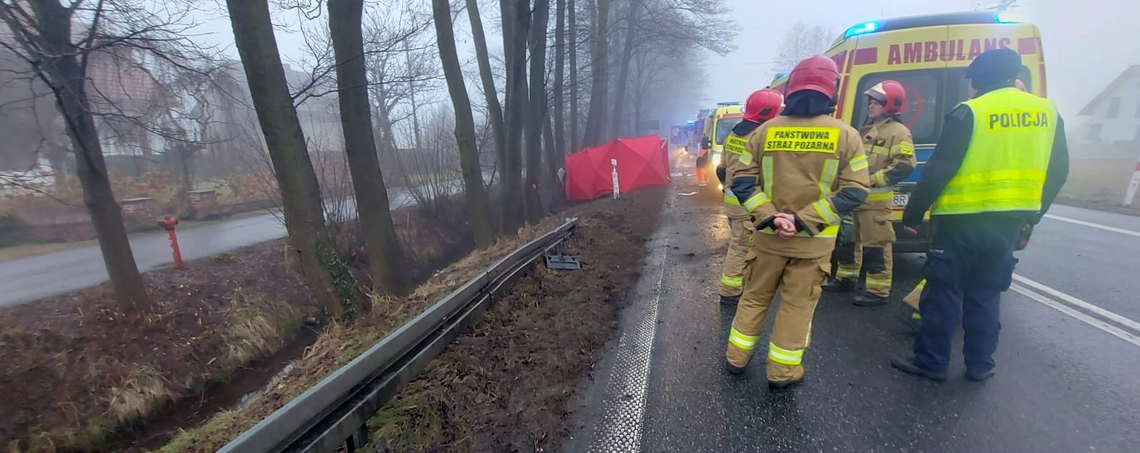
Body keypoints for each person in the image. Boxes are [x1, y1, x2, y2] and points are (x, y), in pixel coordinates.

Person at [891, 48, 1069, 382]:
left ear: (978, 80)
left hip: (962, 221)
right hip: (1010, 221)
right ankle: (980, 364)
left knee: (944, 291)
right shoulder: (1047, 112)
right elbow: (1059, 169)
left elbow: (939, 169)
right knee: (986, 292)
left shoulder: (970, 112)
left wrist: (912, 214)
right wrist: (1034, 214)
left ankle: (932, 363)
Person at [724, 55, 870, 388]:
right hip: (813, 245)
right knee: (795, 308)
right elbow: (856, 191)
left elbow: (742, 181)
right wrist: (802, 221)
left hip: (766, 240)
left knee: (754, 298)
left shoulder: (764, 132)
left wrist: (772, 218)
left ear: (790, 89)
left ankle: (736, 358)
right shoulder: (847, 136)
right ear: (831, 89)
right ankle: (781, 373)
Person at [824, 81, 916, 306]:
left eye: (877, 102)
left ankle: (878, 291)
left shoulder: (898, 132)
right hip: (855, 199)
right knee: (847, 241)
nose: (871, 106)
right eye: (871, 102)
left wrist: (871, 181)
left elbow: (905, 165)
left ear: (891, 105)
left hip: (875, 203)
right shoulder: (866, 130)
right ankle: (846, 279)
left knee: (877, 246)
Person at [718, 88, 784, 305]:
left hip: (733, 203)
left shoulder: (734, 133)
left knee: (742, 244)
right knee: (741, 247)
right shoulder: (760, 137)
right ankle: (730, 291)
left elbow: (722, 168)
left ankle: (741, 284)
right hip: (747, 204)